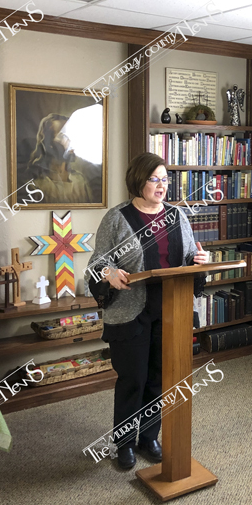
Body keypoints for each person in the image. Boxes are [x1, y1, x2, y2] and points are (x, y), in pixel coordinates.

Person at [86, 152, 208, 470]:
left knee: (158, 379)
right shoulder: (117, 218)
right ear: (138, 181)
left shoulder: (177, 216)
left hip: (170, 310)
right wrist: (109, 273)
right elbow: (97, 263)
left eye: (165, 179)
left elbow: (189, 256)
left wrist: (199, 261)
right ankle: (125, 443)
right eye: (155, 179)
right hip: (131, 312)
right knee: (133, 380)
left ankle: (149, 438)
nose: (161, 185)